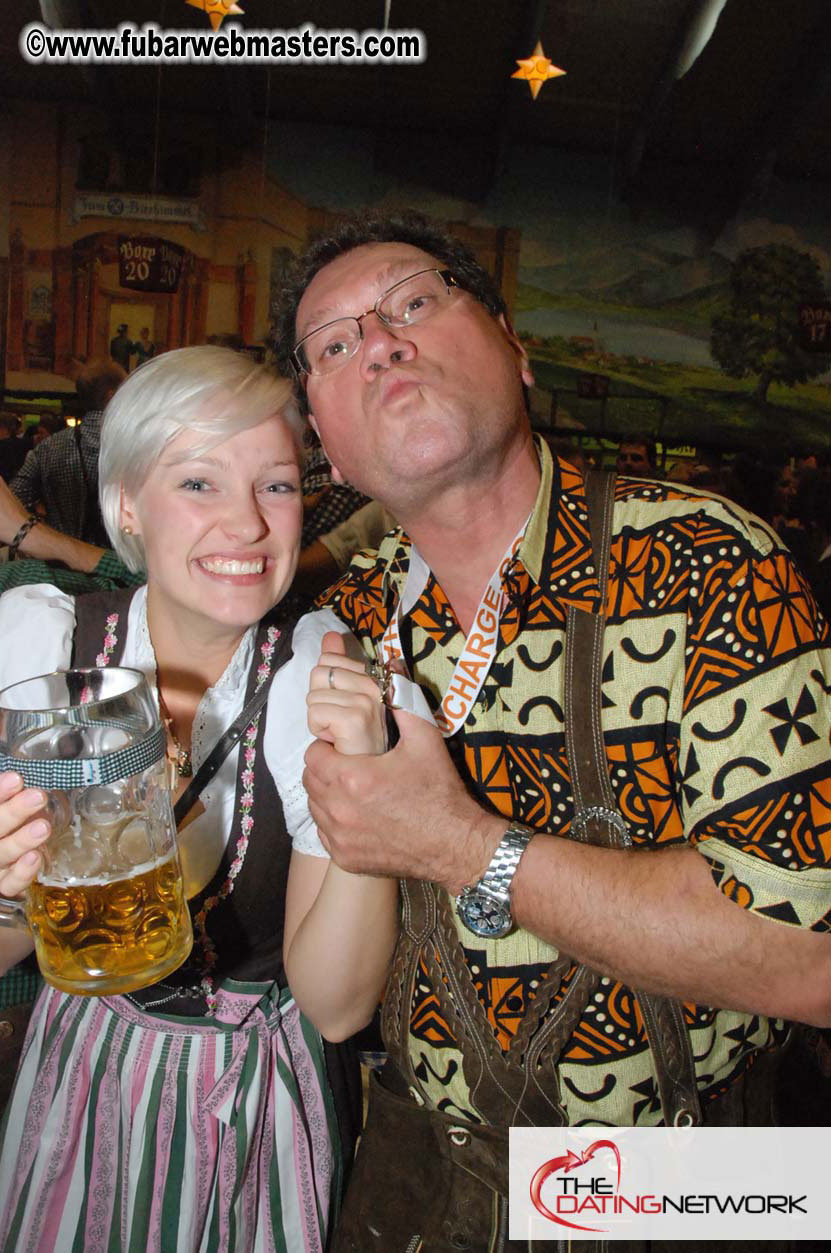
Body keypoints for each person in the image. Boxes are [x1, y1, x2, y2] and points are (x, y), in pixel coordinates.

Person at [272, 211, 831, 1251]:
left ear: (512, 349)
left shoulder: (710, 562)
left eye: (415, 301)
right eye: (335, 344)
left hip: (693, 1183)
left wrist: (459, 845)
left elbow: (809, 959)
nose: (381, 341)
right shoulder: (345, 620)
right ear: (329, 440)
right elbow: (336, 993)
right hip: (425, 1175)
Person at [0, 346, 396, 1251]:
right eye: (200, 482)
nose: (248, 525)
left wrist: (363, 782)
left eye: (278, 486)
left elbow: (336, 1009)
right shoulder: (43, 651)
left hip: (253, 1099)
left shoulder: (317, 680)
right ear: (128, 502)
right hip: (80, 1069)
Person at [9, 357, 127, 546]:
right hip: (121, 568)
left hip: (61, 567)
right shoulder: (138, 446)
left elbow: (12, 501)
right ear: (112, 396)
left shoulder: (48, 448)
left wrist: (39, 534)